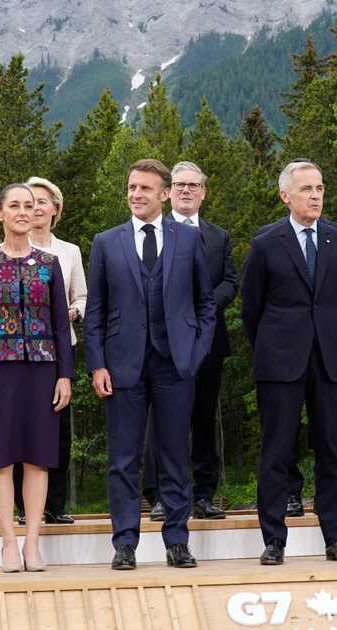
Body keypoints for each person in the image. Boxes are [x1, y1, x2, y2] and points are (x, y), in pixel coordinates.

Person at [84, 159, 216, 570]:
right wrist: (97, 364)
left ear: (164, 193)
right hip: (122, 364)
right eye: (131, 187)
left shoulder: (188, 239)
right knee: (123, 459)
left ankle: (177, 541)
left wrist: (196, 352)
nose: (136, 194)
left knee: (175, 455)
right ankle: (125, 543)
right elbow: (96, 310)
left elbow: (206, 303)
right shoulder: (107, 242)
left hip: (176, 363)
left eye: (144, 188)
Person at [241, 160, 337, 566]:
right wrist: (271, 345)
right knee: (277, 450)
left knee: (330, 449)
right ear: (285, 196)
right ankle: (274, 540)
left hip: (329, 359)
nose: (315, 195)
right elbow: (251, 307)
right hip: (280, 361)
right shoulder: (265, 242)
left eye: (319, 188)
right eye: (306, 189)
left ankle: (336, 538)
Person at [0, 183, 74, 572]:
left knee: (37, 459)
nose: (23, 212)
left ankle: (32, 543)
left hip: (43, 369)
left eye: (29, 206)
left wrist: (65, 376)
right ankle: (8, 542)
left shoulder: (49, 263)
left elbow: (60, 325)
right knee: (0, 459)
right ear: (0, 213)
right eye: (15, 205)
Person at [142, 161, 237, 522]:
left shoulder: (218, 237)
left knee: (204, 417)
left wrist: (202, 307)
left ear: (203, 193)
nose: (186, 190)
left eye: (193, 185)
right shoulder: (156, 233)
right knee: (162, 420)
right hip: (164, 342)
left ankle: (204, 494)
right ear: (168, 192)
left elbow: (229, 282)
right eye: (180, 184)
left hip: (208, 340)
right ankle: (161, 495)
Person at [11, 176, 87, 526]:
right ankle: (24, 507)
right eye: (31, 201)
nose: (36, 208)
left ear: (56, 208)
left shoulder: (69, 251)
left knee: (58, 430)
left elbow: (81, 295)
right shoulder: (9, 248)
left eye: (43, 201)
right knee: (21, 428)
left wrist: (74, 311)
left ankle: (54, 505)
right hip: (20, 352)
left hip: (59, 349)